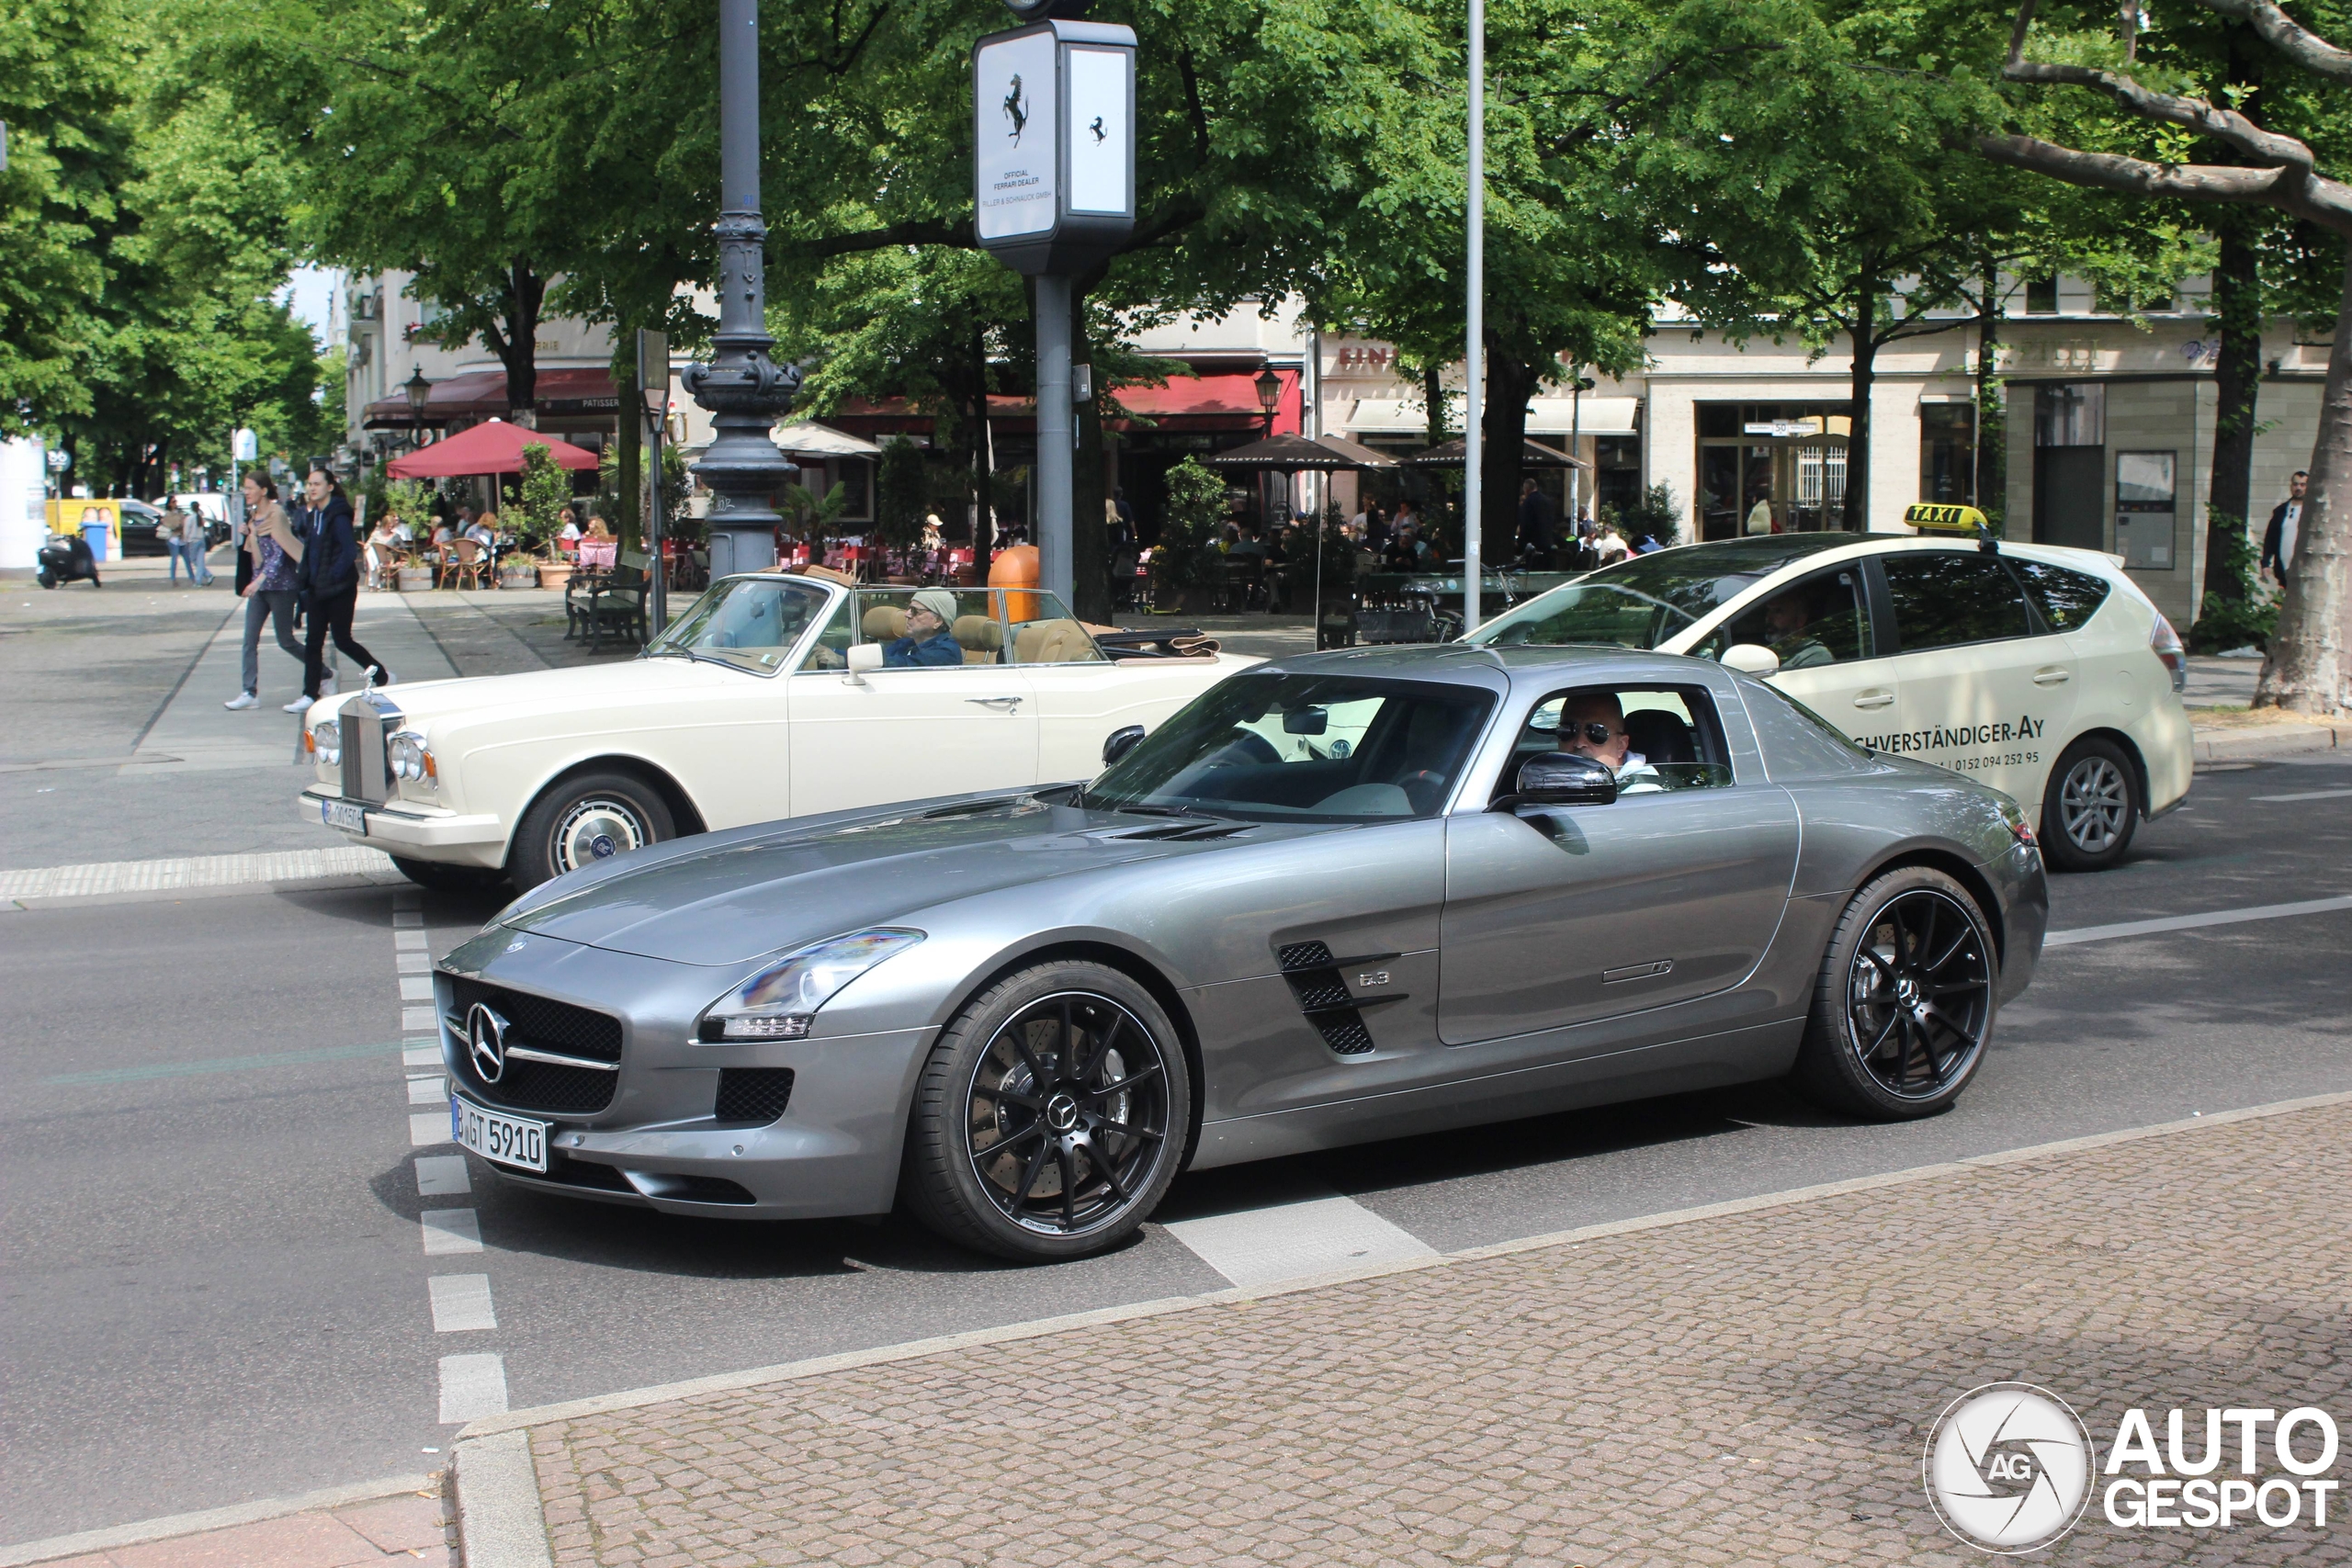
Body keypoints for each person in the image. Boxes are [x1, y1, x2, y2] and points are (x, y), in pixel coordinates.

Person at [291, 468, 390, 712]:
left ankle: (381, 675)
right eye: (310, 484)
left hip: (339, 589)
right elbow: (310, 552)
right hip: (316, 590)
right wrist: (305, 580)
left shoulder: (338, 516)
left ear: (330, 487)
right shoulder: (314, 515)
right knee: (313, 642)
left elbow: (348, 552)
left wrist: (333, 576)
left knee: (342, 639)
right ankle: (309, 694)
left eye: (317, 484)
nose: (312, 488)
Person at [224, 474, 305, 710]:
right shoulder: (253, 516)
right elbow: (255, 551)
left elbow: (280, 554)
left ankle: (323, 673)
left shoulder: (276, 514)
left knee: (286, 640)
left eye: (250, 488)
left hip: (281, 587)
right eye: (245, 488)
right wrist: (248, 535)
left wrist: (259, 580)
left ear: (263, 490)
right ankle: (249, 692)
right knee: (249, 640)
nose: (246, 492)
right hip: (259, 588)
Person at [1559, 691, 1664, 792]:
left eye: (1596, 732)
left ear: (1621, 746)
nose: (1579, 743)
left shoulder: (1640, 794)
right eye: (1567, 730)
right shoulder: (1550, 781)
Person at [884, 590, 964, 667]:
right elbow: (879, 659)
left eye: (915, 611)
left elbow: (898, 666)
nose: (907, 614)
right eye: (909, 608)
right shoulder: (905, 643)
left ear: (938, 621)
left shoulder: (946, 652)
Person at [1761, 592, 1834, 668]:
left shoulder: (1816, 656)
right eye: (1768, 611)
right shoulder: (1777, 650)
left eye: (1778, 611)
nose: (1768, 618)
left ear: (1801, 619)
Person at [2261, 470, 2309, 585]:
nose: (2299, 488)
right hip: (2283, 572)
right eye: (2295, 484)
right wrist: (2266, 563)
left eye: (2303, 485)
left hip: (2305, 571)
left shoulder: (2311, 512)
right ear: (2291, 486)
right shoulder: (2280, 511)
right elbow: (2270, 539)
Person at [1517, 478, 1558, 566]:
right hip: (1547, 543)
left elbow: (1525, 525)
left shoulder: (1528, 502)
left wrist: (1521, 543)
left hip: (1533, 545)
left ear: (1526, 489)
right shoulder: (1548, 501)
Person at [365, 514, 404, 591]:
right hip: (377, 557)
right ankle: (376, 566)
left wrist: (397, 548)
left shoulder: (395, 536)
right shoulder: (376, 534)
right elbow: (367, 545)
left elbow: (403, 547)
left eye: (391, 526)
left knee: (372, 560)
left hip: (389, 558)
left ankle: (373, 584)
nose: (390, 528)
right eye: (388, 526)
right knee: (371, 551)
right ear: (384, 524)